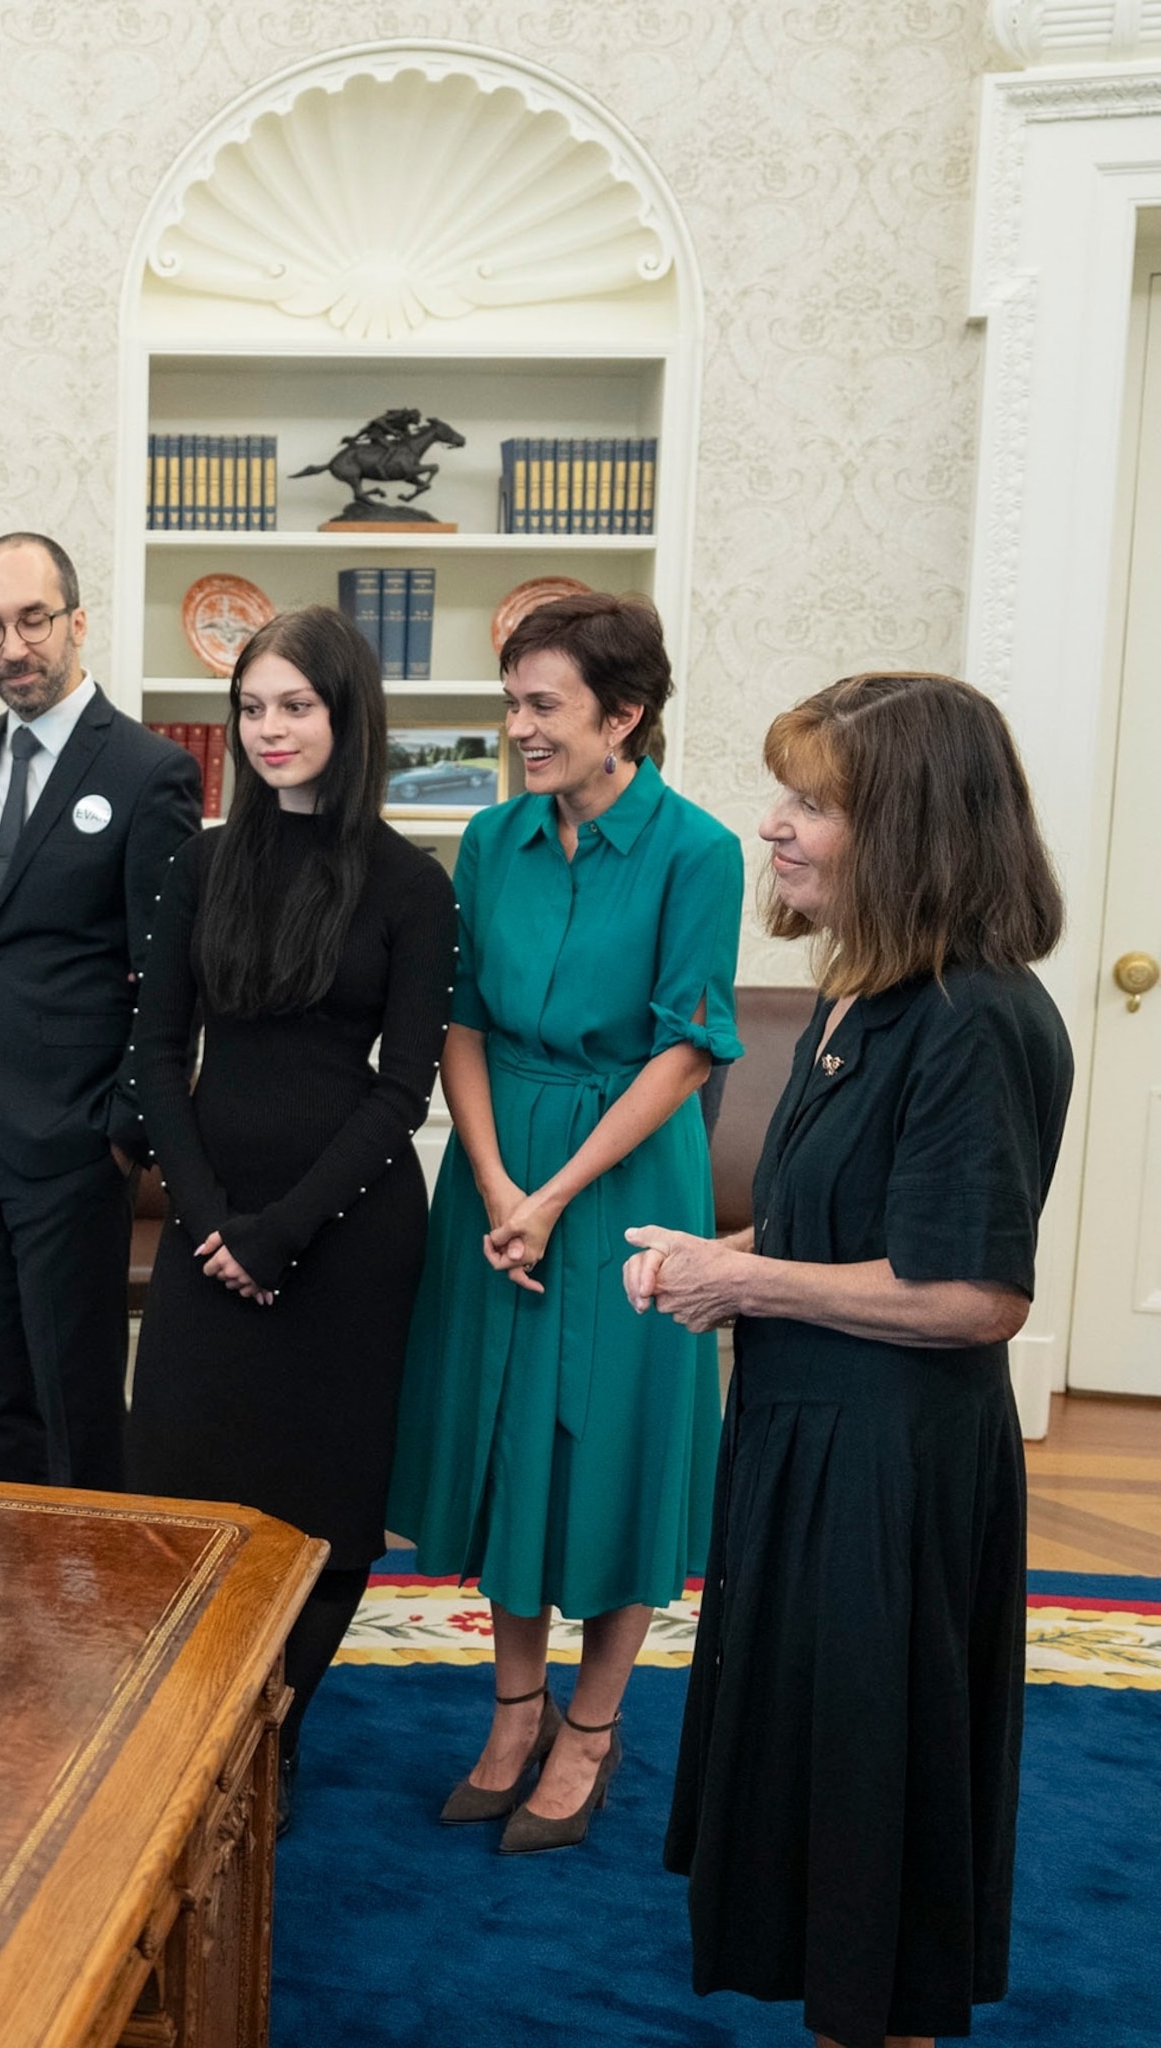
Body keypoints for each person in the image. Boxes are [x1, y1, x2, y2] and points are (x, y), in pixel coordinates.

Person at [635, 673, 1072, 2048]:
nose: (774, 827)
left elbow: (973, 1296)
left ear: (913, 832)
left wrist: (742, 1273)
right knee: (820, 1808)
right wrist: (726, 1269)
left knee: (873, 1829)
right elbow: (845, 1224)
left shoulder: (974, 1021)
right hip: (804, 1443)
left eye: (812, 803)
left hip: (889, 1471)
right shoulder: (861, 1001)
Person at [384, 590, 744, 1853]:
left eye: (544, 705)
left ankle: (591, 1726)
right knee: (508, 1447)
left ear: (623, 715)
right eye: (511, 701)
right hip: (496, 1173)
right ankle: (511, 1704)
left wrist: (552, 1193)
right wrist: (489, 1179)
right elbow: (463, 1020)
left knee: (614, 1449)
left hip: (629, 1177)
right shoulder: (489, 840)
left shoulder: (699, 850)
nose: (518, 727)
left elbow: (690, 1048)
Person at [121, 607, 456, 1813]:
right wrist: (210, 1216)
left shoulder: (414, 883)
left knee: (326, 1502)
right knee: (177, 1482)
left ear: (345, 715)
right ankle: (200, 1709)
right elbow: (158, 1052)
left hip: (348, 1232)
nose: (269, 729)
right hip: (212, 1220)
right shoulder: (200, 863)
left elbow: (401, 1088)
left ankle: (279, 1726)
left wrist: (280, 1231)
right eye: (252, 707)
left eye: (295, 706)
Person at [0, 534, 204, 1491]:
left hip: (76, 1139)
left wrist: (125, 1130)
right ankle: (12, 1606)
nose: (13, 647)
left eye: (33, 621)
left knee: (76, 1397)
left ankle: (98, 1617)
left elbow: (169, 973)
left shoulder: (149, 772)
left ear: (77, 623)